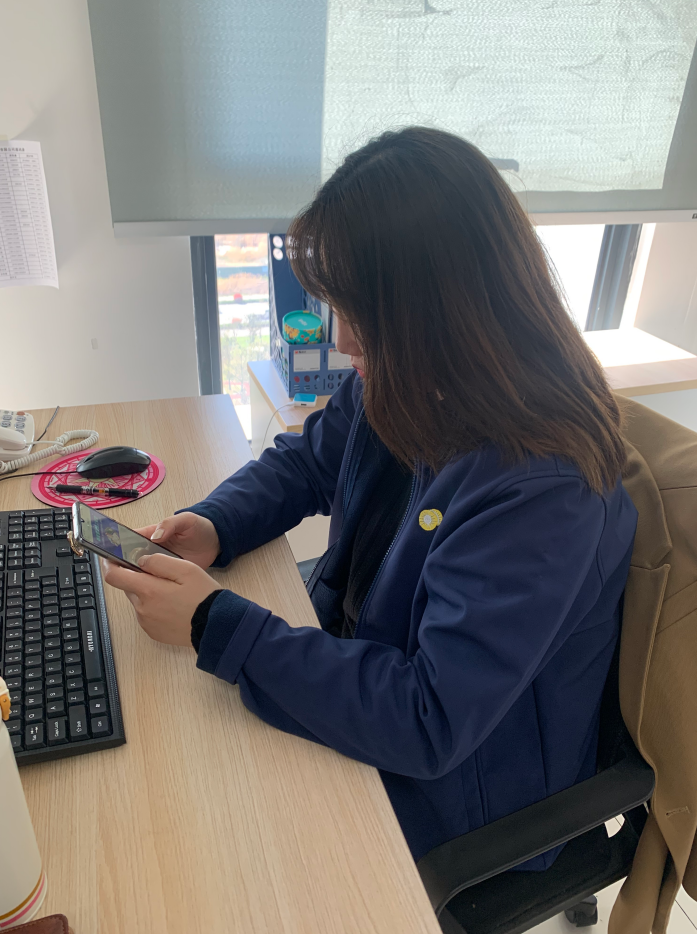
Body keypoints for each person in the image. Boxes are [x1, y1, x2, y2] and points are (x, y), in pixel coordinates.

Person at [103, 127, 638, 867]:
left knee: (193, 839)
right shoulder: (418, 373)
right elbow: (307, 462)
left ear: (436, 311)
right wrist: (215, 523)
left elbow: (428, 719)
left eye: (359, 313)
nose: (342, 338)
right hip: (365, 678)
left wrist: (212, 624)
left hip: (463, 794)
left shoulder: (545, 491)